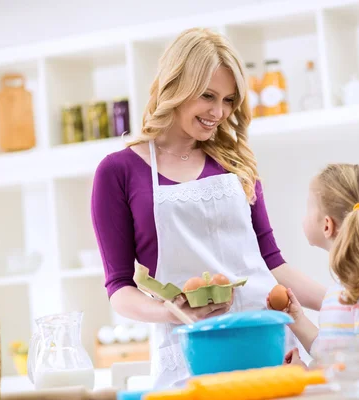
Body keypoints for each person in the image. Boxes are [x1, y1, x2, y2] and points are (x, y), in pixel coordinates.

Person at [90, 27, 326, 388]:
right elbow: (120, 288)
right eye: (208, 96)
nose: (219, 112)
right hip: (191, 350)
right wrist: (172, 311)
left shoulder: (235, 162)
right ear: (176, 86)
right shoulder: (119, 171)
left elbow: (273, 264)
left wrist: (351, 304)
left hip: (269, 343)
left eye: (230, 100)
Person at [269, 163, 359, 367]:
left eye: (308, 208)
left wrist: (309, 376)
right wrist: (297, 319)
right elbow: (332, 353)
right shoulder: (342, 287)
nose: (304, 217)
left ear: (326, 225)